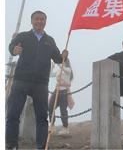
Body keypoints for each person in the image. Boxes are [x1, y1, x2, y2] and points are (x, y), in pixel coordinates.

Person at [6, 10, 68, 150]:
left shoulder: (49, 40)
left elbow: (58, 59)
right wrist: (14, 49)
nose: (39, 21)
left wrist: (64, 56)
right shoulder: (23, 36)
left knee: (42, 118)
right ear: (32, 21)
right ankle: (11, 146)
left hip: (41, 83)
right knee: (13, 114)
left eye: (42, 19)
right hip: (21, 80)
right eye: (37, 19)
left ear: (45, 21)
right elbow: (11, 47)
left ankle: (41, 147)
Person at [49, 58, 73, 135]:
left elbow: (63, 68)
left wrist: (58, 63)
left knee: (63, 109)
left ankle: (65, 128)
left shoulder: (68, 70)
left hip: (64, 91)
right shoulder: (59, 70)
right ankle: (52, 125)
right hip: (57, 90)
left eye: (63, 60)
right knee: (50, 106)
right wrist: (52, 67)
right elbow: (50, 75)